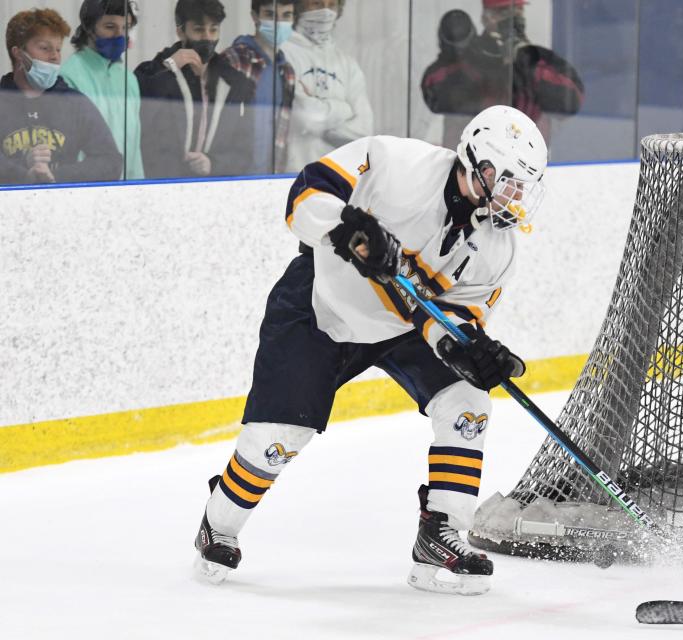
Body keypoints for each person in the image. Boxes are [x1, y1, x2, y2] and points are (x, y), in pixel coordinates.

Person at [192, 105, 548, 596]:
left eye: (523, 185)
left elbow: (450, 317)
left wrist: (472, 350)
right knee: (276, 441)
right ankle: (220, 523)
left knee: (468, 403)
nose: (514, 194)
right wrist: (348, 226)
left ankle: (441, 534)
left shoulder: (498, 247)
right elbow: (304, 195)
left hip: (401, 327)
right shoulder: (397, 164)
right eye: (506, 179)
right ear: (475, 161)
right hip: (322, 304)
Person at [421, 0, 583, 148]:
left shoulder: (538, 59)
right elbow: (433, 92)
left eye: (518, 12)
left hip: (524, 168)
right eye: (505, 13)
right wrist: (482, 59)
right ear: (486, 18)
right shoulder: (468, 56)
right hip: (468, 166)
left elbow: (572, 99)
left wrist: (526, 59)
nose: (514, 20)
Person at [0, 8, 122, 185]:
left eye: (58, 49)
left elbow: (111, 161)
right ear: (18, 53)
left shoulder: (74, 103)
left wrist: (57, 176)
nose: (55, 56)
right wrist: (23, 171)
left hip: (64, 206)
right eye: (44, 48)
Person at [134, 0, 254, 178]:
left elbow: (244, 151)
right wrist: (169, 70)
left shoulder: (234, 83)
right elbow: (141, 121)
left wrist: (214, 163)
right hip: (161, 187)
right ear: (180, 31)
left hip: (214, 190)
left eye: (214, 29)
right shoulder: (151, 72)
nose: (208, 37)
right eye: (198, 30)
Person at [279, 0, 373, 173]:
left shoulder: (347, 64)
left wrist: (318, 118)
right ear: (299, 6)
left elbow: (363, 130)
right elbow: (304, 117)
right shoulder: (282, 53)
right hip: (292, 175)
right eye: (316, 3)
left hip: (339, 177)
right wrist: (344, 109)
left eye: (332, 5)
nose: (325, 11)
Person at [61, 0, 144, 180]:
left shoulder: (128, 80)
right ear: (89, 27)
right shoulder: (68, 77)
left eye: (125, 27)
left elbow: (134, 149)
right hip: (86, 189)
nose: (119, 35)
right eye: (110, 26)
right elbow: (69, 149)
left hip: (125, 193)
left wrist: (138, 189)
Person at [220, 0, 296, 174]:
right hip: (232, 176)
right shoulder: (234, 60)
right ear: (255, 17)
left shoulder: (287, 72)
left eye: (286, 16)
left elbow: (283, 134)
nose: (278, 23)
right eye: (270, 15)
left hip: (270, 178)